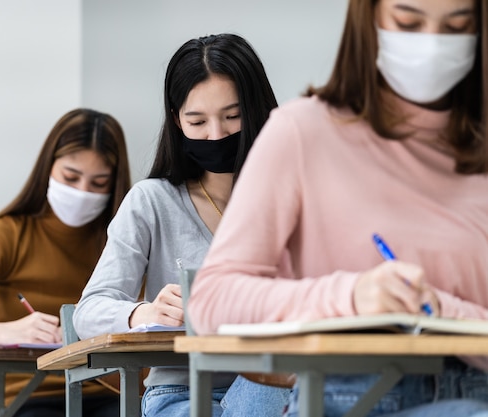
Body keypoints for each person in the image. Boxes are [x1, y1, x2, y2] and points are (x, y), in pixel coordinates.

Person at [189, 0, 488, 416]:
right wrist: (352, 294)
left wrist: (444, 309)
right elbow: (212, 301)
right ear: (368, 21)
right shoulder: (303, 132)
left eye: (456, 27)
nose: (433, 44)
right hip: (355, 398)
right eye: (408, 22)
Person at [72, 33, 290, 417]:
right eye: (197, 120)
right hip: (183, 396)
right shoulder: (152, 201)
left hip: (281, 386)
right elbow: (88, 311)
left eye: (232, 116)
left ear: (259, 111)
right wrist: (144, 314)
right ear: (177, 121)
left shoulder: (293, 200)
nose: (217, 134)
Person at [0, 108, 131, 417]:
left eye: (99, 183)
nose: (82, 193)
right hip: (30, 398)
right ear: (48, 167)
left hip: (110, 391)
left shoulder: (121, 238)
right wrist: (12, 332)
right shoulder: (5, 234)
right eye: (70, 177)